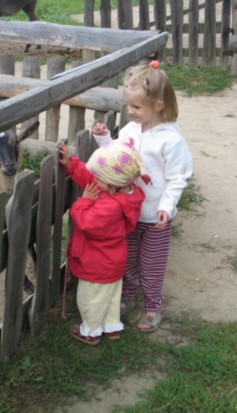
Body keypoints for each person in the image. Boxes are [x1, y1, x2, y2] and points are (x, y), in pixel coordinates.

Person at [92, 60, 193, 333]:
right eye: (129, 105)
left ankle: (152, 305)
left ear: (158, 105)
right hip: (128, 212)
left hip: (155, 218)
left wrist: (166, 207)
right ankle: (127, 295)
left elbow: (178, 177)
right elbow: (118, 158)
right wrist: (104, 140)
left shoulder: (171, 140)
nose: (130, 111)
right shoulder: (129, 131)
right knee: (126, 258)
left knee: (151, 266)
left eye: (137, 107)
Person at [59, 139, 148, 345]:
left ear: (111, 183)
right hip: (112, 262)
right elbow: (92, 177)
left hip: (96, 263)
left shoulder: (110, 207)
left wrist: (84, 202)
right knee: (110, 297)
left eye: (100, 177)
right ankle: (111, 327)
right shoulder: (123, 192)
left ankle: (90, 332)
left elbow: (86, 223)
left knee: (91, 299)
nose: (95, 179)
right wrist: (72, 165)